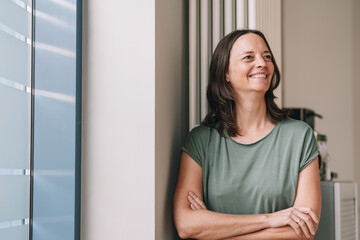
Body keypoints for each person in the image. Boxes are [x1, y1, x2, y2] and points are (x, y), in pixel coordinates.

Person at [173, 29, 321, 240]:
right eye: (249, 57)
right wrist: (269, 219)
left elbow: (303, 232)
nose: (262, 63)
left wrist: (214, 230)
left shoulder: (300, 136)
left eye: (267, 56)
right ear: (226, 73)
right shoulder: (200, 140)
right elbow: (186, 225)